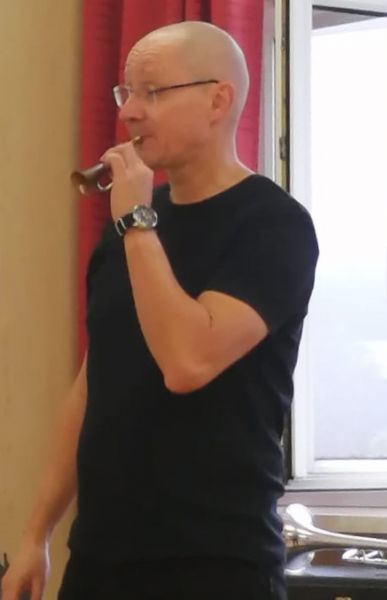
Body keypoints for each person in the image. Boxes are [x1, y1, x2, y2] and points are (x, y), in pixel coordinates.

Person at [2, 20, 318, 600]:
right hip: (100, 556)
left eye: (152, 92)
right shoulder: (129, 228)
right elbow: (93, 384)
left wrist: (136, 222)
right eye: (126, 93)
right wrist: (36, 534)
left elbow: (187, 362)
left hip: (215, 561)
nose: (129, 113)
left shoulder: (274, 226)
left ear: (218, 100)